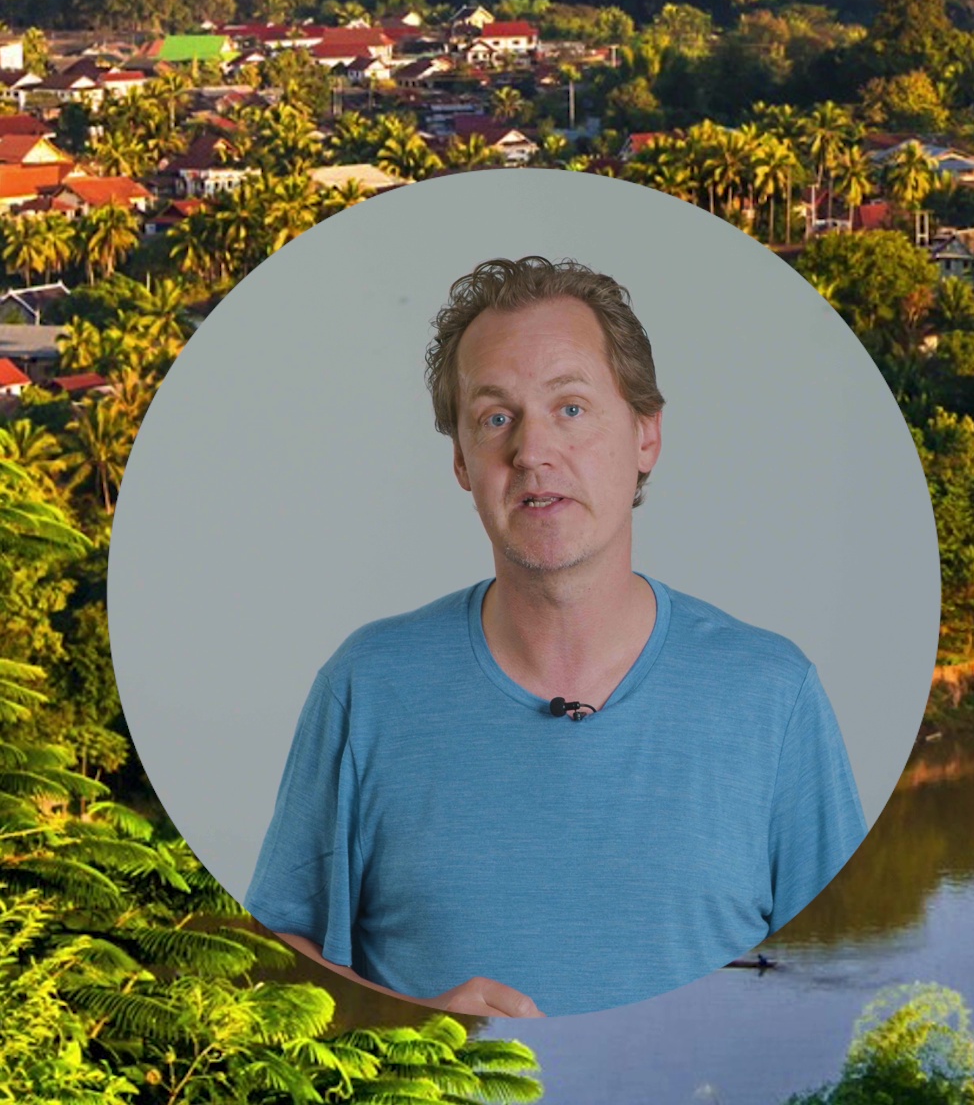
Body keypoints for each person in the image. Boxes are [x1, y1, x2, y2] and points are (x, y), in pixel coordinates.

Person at [246, 256, 866, 1018]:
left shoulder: (774, 694)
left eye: (570, 408)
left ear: (646, 435)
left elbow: (842, 985)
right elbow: (267, 957)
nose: (532, 450)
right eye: (495, 417)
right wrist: (407, 1021)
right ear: (462, 463)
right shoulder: (366, 688)